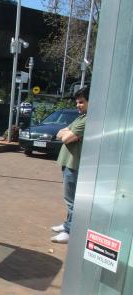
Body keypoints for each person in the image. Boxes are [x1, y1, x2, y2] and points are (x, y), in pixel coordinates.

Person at [51, 86, 89, 244]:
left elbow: (65, 138)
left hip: (74, 165)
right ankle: (68, 224)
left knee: (72, 200)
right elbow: (61, 132)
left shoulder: (87, 120)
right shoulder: (81, 117)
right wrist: (66, 133)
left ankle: (69, 231)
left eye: (81, 102)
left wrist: (66, 134)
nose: (77, 105)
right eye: (77, 102)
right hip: (68, 163)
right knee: (69, 199)